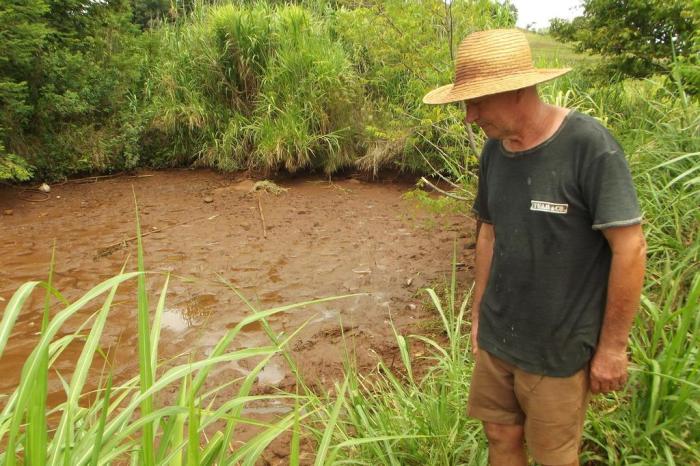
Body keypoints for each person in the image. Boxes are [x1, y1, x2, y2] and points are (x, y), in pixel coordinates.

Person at [423, 29, 646, 465]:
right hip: (499, 336)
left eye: (478, 101)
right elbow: (488, 234)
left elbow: (630, 248)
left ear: (519, 90)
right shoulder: (494, 152)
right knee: (499, 434)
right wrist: (477, 316)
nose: (469, 116)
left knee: (553, 455)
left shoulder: (588, 146)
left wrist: (613, 347)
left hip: (558, 348)